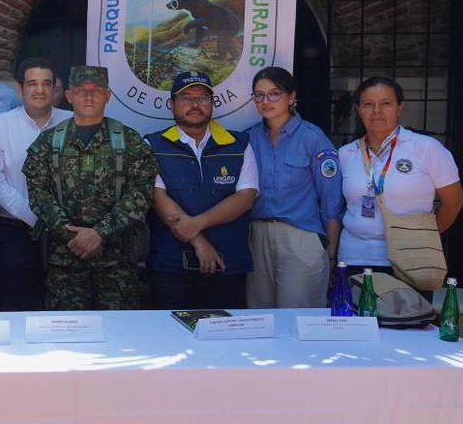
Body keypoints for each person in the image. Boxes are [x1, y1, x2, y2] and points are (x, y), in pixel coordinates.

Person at [23, 66, 155, 310]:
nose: (88, 96)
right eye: (81, 90)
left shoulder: (130, 141)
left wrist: (99, 233)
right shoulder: (48, 142)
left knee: (119, 329)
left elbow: (141, 193)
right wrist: (73, 235)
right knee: (67, 330)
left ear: (108, 96)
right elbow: (39, 193)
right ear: (69, 95)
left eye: (96, 90)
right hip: (65, 263)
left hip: (116, 264)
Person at [146, 72, 259, 310]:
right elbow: (158, 198)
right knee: (170, 330)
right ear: (171, 104)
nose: (195, 104)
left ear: (213, 104)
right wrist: (200, 243)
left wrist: (196, 224)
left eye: (203, 98)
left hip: (228, 265)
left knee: (226, 332)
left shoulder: (239, 144)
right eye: (186, 97)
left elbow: (245, 198)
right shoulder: (152, 145)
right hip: (170, 266)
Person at [337, 77, 462, 277]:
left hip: (411, 260)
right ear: (358, 110)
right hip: (355, 257)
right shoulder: (345, 154)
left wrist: (423, 237)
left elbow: (453, 203)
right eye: (368, 104)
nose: (377, 111)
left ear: (399, 108)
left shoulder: (426, 148)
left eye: (386, 103)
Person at [245, 66, 343, 308]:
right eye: (259, 95)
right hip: (257, 236)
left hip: (300, 236)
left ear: (291, 97)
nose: (266, 101)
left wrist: (330, 251)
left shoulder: (313, 138)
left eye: (274, 94)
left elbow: (331, 200)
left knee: (298, 316)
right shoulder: (249, 138)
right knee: (261, 315)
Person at [0, 58, 71, 311]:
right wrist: (37, 218)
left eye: (46, 83)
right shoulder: (0, 124)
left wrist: (57, 223)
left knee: (59, 309)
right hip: (14, 232)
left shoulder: (72, 122)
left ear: (55, 88)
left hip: (65, 234)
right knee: (14, 307)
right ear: (19, 88)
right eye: (32, 83)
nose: (40, 90)